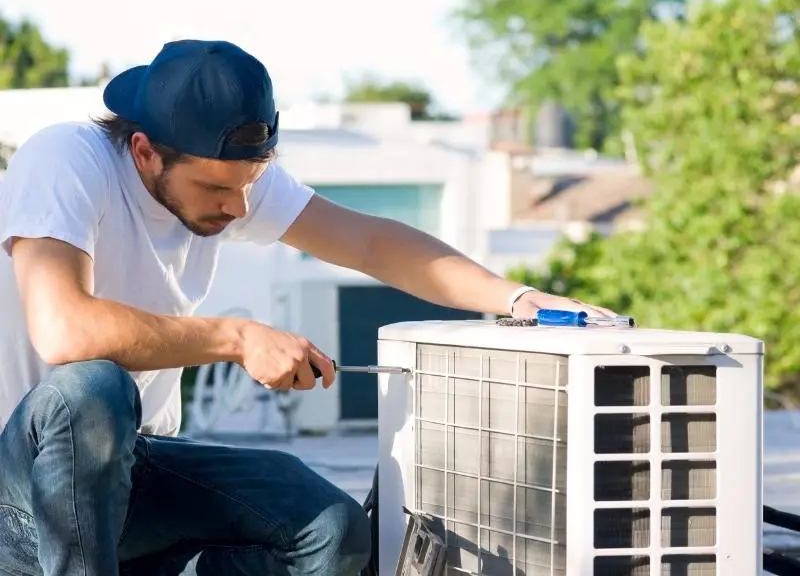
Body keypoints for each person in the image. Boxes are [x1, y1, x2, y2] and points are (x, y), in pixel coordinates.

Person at [0, 39, 614, 576]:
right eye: (216, 189)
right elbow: (63, 329)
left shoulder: (231, 176)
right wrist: (237, 338)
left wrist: (518, 298)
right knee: (91, 391)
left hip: (135, 473)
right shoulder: (65, 159)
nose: (239, 208)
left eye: (248, 186)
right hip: (24, 491)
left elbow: (371, 242)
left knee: (336, 531)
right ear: (144, 153)